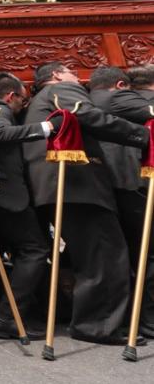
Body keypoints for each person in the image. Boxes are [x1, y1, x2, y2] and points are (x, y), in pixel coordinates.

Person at [24, 62, 149, 344]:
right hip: (76, 183)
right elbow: (89, 116)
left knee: (95, 256)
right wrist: (145, 136)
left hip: (60, 186)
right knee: (105, 256)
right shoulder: (63, 90)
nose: (78, 78)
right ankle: (98, 325)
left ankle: (95, 321)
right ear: (56, 76)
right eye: (70, 72)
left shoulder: (36, 102)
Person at [0, 72, 53, 339]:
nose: (23, 104)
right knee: (34, 250)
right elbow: (2, 133)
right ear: (11, 96)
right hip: (6, 195)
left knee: (3, 255)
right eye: (22, 99)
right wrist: (46, 128)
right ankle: (7, 317)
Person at [90, 67, 154, 338]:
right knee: (145, 253)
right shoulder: (117, 97)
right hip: (127, 184)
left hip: (119, 184)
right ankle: (146, 318)